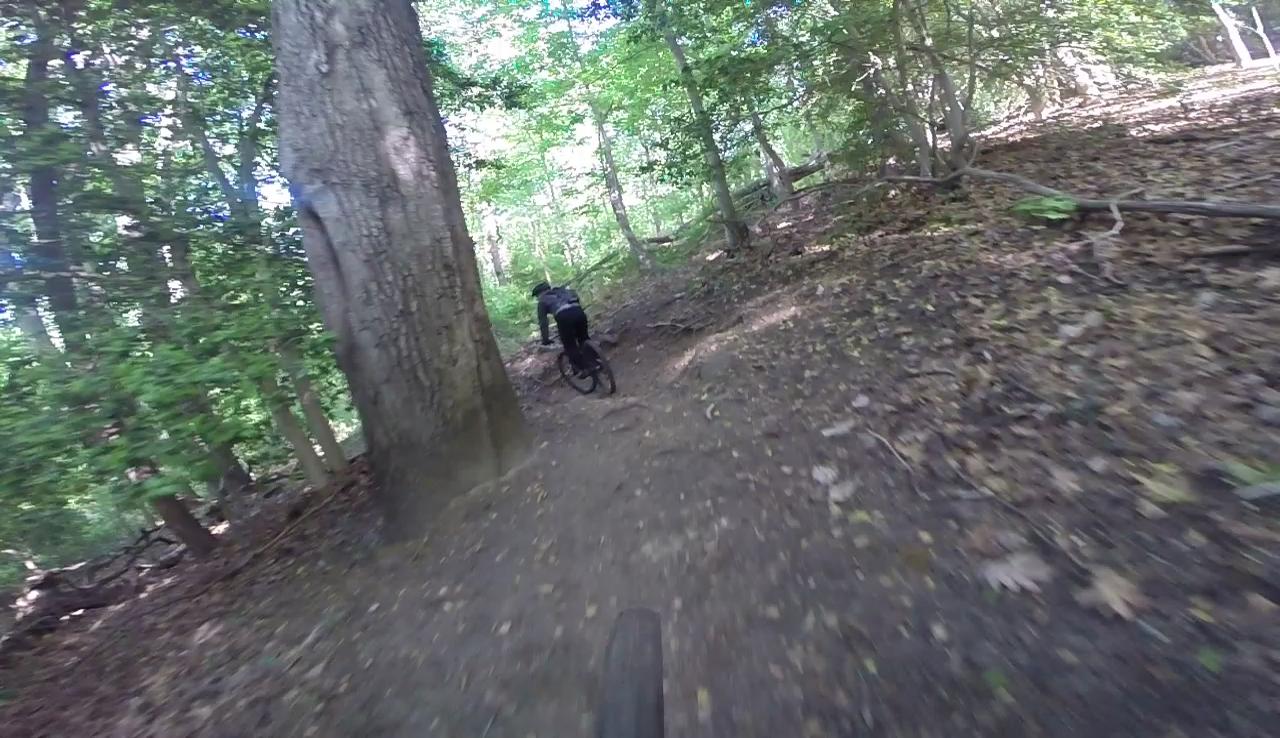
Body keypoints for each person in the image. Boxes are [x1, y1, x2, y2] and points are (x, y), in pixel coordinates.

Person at [533, 281, 592, 376]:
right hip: (579, 313)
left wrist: (545, 339)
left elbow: (543, 322)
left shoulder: (542, 301)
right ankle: (595, 361)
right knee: (584, 338)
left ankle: (583, 369)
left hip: (564, 318)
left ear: (540, 293)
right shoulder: (566, 291)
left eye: (537, 296)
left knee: (570, 345)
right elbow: (576, 297)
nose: (537, 298)